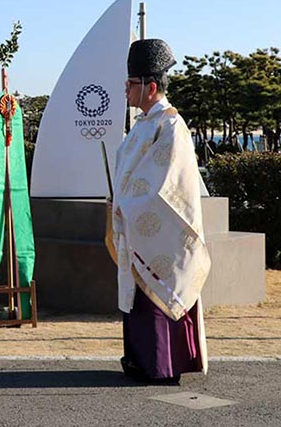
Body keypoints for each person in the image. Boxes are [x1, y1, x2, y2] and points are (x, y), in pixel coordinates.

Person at [109, 38, 210, 383]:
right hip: (136, 224)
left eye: (131, 84)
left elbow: (167, 184)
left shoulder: (170, 126)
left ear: (150, 87)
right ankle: (140, 359)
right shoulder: (142, 125)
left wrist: (126, 205)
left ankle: (162, 364)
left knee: (155, 293)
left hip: (161, 231)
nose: (125, 90)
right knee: (138, 296)